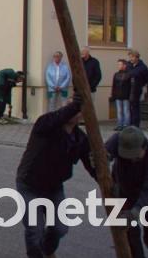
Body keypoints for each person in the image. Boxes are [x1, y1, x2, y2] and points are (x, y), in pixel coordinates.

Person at [15, 96, 96, 258]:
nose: (72, 110)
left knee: (60, 228)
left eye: (76, 108)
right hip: (30, 184)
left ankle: (47, 251)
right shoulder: (46, 124)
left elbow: (91, 164)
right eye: (69, 106)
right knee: (35, 230)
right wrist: (75, 105)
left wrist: (106, 181)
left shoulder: (79, 139)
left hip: (53, 188)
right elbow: (59, 117)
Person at [105, 127, 148, 258]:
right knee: (130, 239)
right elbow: (103, 153)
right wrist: (100, 159)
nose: (131, 160)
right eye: (127, 156)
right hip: (124, 194)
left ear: (144, 147)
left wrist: (135, 212)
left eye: (135, 156)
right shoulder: (119, 139)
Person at [128, 49, 148, 129]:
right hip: (129, 88)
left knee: (135, 107)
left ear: (137, 57)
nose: (130, 59)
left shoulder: (142, 67)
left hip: (137, 88)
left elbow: (147, 78)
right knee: (130, 107)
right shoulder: (129, 65)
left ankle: (135, 124)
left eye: (132, 57)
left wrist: (141, 84)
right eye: (130, 57)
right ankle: (130, 123)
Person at [110, 59, 132, 130]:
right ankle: (120, 124)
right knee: (119, 111)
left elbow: (130, 86)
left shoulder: (128, 74)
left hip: (126, 95)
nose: (118, 66)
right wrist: (113, 95)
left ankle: (126, 125)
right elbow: (114, 86)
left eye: (120, 64)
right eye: (118, 64)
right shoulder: (116, 74)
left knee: (126, 111)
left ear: (124, 65)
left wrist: (130, 95)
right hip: (118, 96)